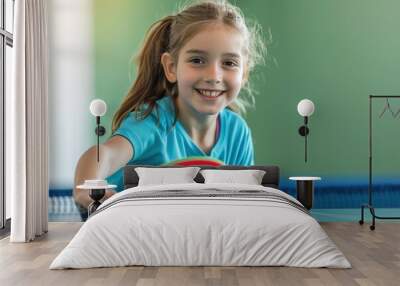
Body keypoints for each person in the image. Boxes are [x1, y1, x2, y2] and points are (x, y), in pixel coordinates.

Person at [73, 0, 266, 215]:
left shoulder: (237, 132)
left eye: (229, 63)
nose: (214, 76)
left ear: (244, 73)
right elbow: (104, 154)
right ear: (171, 67)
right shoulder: (153, 120)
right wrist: (86, 190)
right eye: (197, 60)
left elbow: (241, 205)